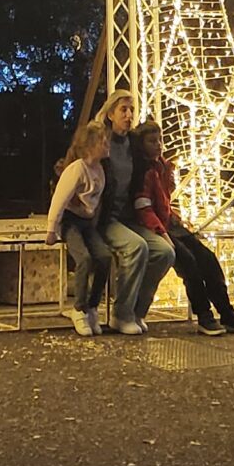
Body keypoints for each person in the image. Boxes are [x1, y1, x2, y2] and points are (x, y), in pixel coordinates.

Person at [133, 119, 234, 334]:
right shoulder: (144, 173)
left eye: (160, 140)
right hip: (158, 228)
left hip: (170, 224)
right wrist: (161, 231)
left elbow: (162, 201)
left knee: (208, 259)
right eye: (152, 141)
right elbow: (144, 206)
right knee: (190, 265)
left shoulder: (162, 167)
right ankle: (204, 315)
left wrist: (174, 217)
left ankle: (227, 313)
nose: (158, 145)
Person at [92, 91, 175, 334]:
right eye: (123, 110)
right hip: (105, 217)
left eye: (131, 110)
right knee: (137, 247)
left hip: (131, 216)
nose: (129, 115)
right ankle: (122, 313)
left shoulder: (133, 145)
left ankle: (138, 311)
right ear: (110, 114)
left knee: (165, 252)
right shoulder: (100, 140)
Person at [45, 117, 111, 337]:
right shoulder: (76, 169)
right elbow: (60, 199)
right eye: (103, 142)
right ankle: (79, 308)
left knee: (104, 257)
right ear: (92, 145)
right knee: (84, 259)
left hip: (87, 222)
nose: (107, 145)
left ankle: (93, 306)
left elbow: (94, 201)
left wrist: (92, 217)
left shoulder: (99, 170)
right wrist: (52, 229)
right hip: (70, 221)